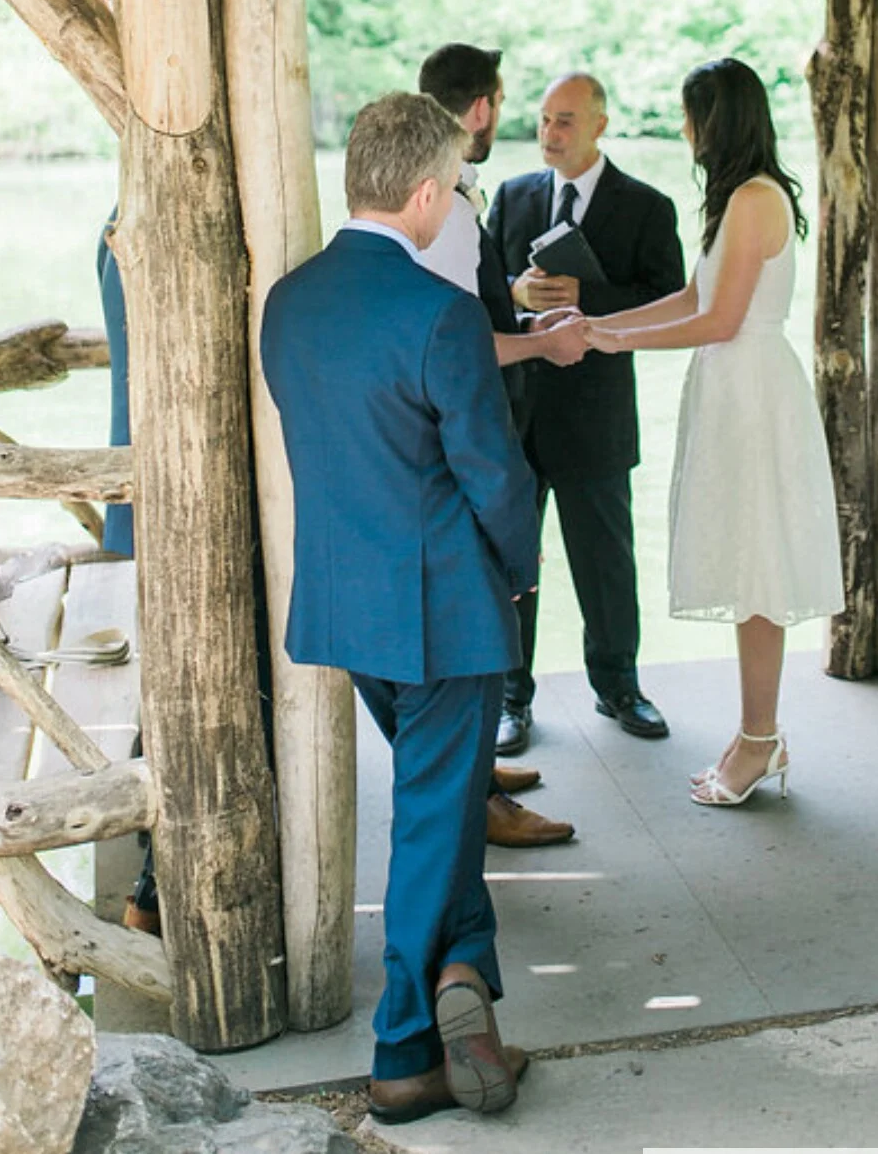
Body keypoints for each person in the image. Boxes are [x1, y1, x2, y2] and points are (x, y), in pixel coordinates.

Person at [261, 93, 538, 1127]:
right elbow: (494, 479)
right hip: (445, 611)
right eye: (458, 185)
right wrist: (519, 573)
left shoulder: (289, 301)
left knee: (440, 803)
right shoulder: (442, 313)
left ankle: (465, 958)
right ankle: (402, 1052)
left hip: (345, 605)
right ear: (425, 194)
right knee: (431, 818)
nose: (459, 199)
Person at [584, 58, 844, 805]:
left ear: (715, 121)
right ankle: (756, 731)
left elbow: (721, 320)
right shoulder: (738, 200)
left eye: (690, 115)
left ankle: (760, 739)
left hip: (752, 391)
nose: (684, 130)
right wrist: (600, 324)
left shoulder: (756, 200)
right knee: (743, 564)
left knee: (758, 568)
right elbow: (689, 296)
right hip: (731, 389)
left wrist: (615, 343)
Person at [417, 41, 583, 848]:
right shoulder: (444, 207)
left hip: (473, 421)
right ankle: (478, 797)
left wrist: (522, 323)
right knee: (480, 614)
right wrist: (539, 342)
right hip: (466, 433)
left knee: (487, 608)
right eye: (505, 102)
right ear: (481, 108)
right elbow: (460, 341)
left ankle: (482, 765)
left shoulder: (447, 194)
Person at [487, 71, 684, 750]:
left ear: (600, 123)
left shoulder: (647, 207)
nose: (550, 133)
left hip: (596, 413)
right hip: (516, 416)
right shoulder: (511, 197)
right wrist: (518, 288)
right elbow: (486, 296)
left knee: (605, 559)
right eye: (544, 119)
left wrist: (588, 295)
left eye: (565, 120)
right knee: (514, 563)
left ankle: (619, 685)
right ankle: (512, 697)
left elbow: (670, 299)